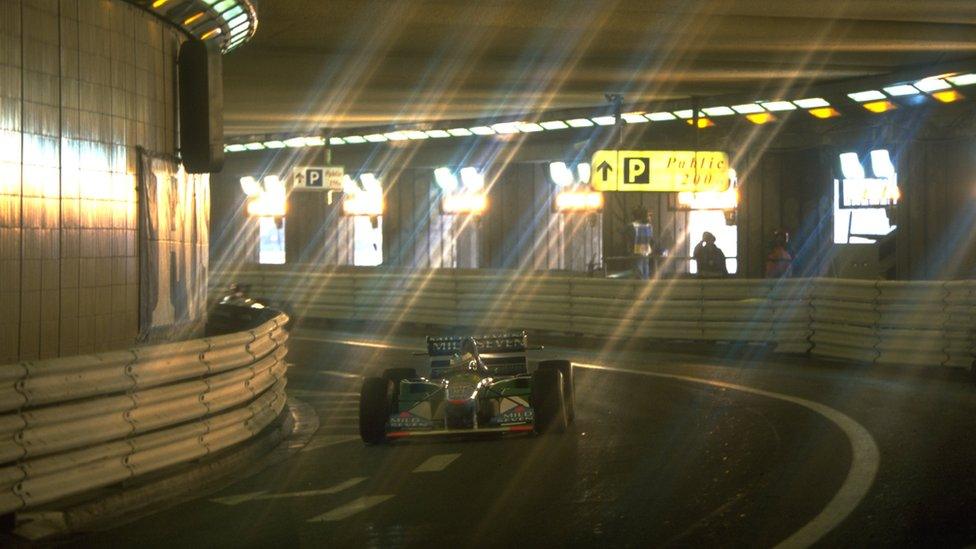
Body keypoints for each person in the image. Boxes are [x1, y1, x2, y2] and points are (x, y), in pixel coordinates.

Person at [631, 207, 654, 280]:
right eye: (649, 215)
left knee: (639, 268)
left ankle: (640, 285)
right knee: (644, 268)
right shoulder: (649, 226)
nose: (650, 218)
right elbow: (651, 238)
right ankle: (645, 283)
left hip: (638, 249)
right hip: (646, 249)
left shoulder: (634, 225)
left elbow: (625, 232)